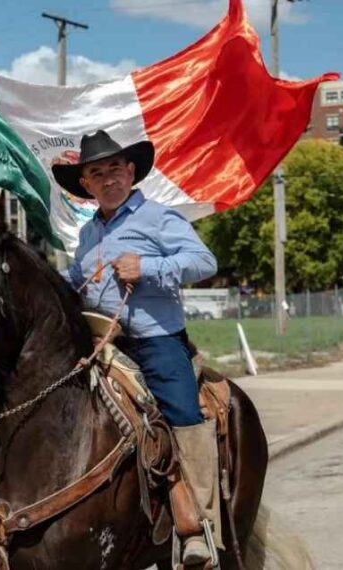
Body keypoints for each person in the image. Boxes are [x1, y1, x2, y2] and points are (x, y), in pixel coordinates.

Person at [56, 130, 221, 565]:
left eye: (115, 168)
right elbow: (74, 279)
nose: (108, 178)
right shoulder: (89, 233)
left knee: (183, 414)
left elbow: (205, 262)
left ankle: (200, 526)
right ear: (86, 185)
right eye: (97, 173)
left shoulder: (158, 218)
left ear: (131, 172)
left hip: (155, 340)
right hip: (101, 342)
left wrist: (147, 267)